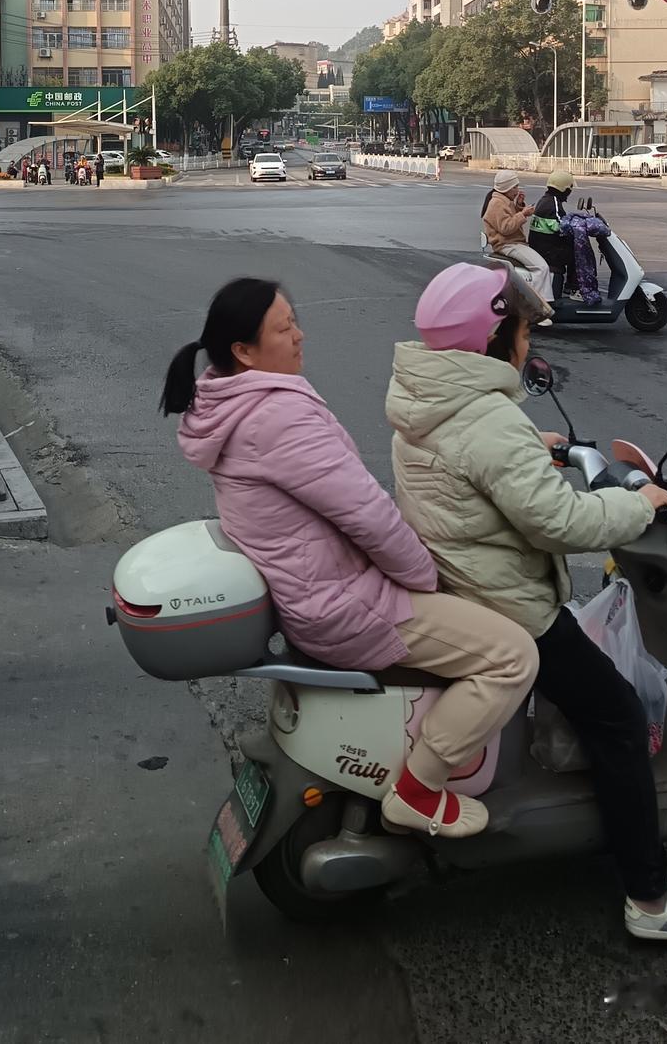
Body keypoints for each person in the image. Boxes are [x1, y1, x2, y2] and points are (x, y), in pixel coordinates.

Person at [385, 261, 667, 943]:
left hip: (461, 580)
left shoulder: (423, 395)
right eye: (521, 329)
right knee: (620, 718)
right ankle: (652, 900)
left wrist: (530, 451)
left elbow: (473, 469)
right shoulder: (487, 419)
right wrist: (636, 502)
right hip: (510, 603)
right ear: (495, 338)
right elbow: (562, 525)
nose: (527, 344)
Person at [164, 278, 537, 839]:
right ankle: (419, 789)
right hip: (347, 603)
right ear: (243, 351)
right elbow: (365, 512)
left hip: (316, 593)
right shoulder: (274, 417)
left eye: (295, 320)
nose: (299, 335)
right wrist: (423, 577)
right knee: (513, 656)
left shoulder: (229, 400)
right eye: (284, 328)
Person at [482, 170, 554, 311]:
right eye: (514, 187)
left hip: (512, 243)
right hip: (508, 244)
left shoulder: (504, 201)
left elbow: (508, 217)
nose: (517, 190)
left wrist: (519, 205)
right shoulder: (497, 203)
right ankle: (539, 307)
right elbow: (506, 228)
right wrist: (523, 214)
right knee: (541, 267)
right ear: (506, 188)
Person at [528, 169, 577, 297]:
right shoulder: (553, 202)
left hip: (541, 246)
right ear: (564, 189)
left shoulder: (545, 199)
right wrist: (579, 225)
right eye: (569, 189)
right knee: (578, 252)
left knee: (572, 246)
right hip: (548, 251)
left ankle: (571, 286)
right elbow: (562, 224)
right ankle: (573, 287)